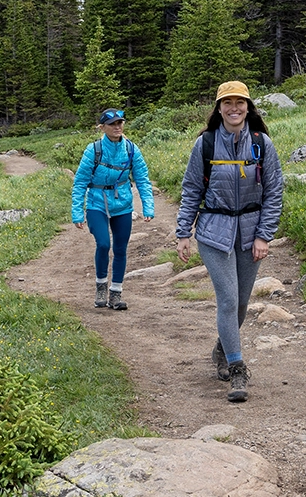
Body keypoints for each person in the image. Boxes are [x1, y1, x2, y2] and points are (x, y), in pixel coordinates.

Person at [175, 81, 284, 402]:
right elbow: (191, 189)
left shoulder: (261, 143)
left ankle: (223, 349)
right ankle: (237, 369)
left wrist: (264, 235)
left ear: (248, 107)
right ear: (219, 108)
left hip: (250, 233)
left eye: (240, 102)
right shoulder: (206, 144)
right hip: (213, 232)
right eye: (227, 103)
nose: (234, 108)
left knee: (241, 303)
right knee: (227, 299)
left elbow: (274, 192)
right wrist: (183, 233)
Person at [71, 108, 155, 310]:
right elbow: (80, 182)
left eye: (120, 123)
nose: (117, 127)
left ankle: (116, 293)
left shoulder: (131, 149)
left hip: (123, 204)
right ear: (102, 127)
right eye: (112, 124)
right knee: (103, 244)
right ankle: (101, 286)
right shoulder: (93, 150)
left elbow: (142, 179)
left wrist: (148, 207)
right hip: (97, 203)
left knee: (120, 249)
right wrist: (77, 212)